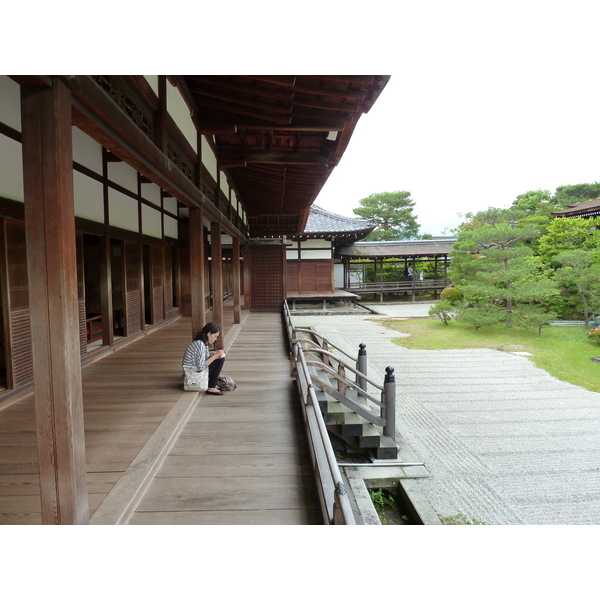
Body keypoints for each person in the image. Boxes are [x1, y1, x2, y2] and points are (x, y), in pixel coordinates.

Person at [182, 322, 226, 395]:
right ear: (209, 334)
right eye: (215, 336)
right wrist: (215, 356)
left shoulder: (202, 344)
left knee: (219, 359)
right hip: (194, 373)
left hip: (195, 371)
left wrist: (212, 354)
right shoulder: (200, 344)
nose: (215, 339)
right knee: (219, 360)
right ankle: (211, 387)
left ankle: (212, 384)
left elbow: (203, 359)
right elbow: (201, 367)